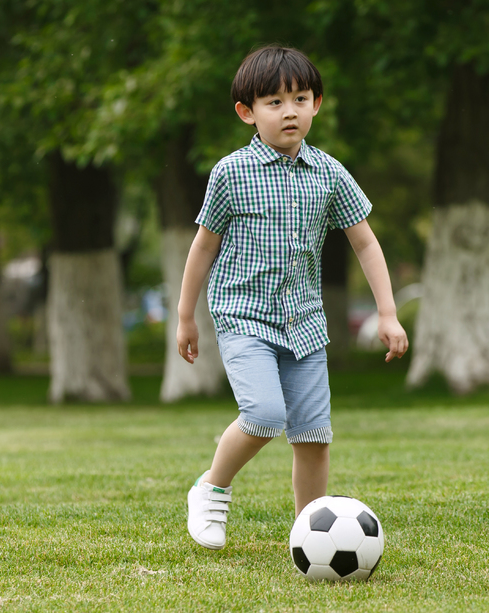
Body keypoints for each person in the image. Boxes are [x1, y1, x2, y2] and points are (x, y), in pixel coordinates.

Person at [177, 45, 408, 550]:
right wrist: (185, 316)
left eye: (300, 99)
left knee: (313, 436)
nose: (289, 112)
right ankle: (211, 488)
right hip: (243, 315)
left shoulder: (329, 172)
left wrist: (387, 313)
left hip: (303, 321)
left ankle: (310, 536)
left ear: (316, 105)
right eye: (275, 102)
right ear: (247, 112)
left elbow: (365, 243)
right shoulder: (231, 173)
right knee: (264, 415)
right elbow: (203, 246)